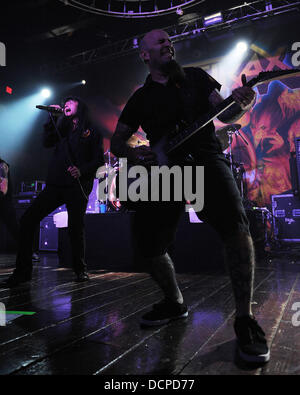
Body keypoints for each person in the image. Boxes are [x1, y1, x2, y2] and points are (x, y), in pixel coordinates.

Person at [110, 29, 270, 363]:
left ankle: (245, 319)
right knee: (148, 244)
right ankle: (174, 302)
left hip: (205, 159)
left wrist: (243, 103)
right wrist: (137, 155)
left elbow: (224, 114)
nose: (167, 43)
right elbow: (117, 141)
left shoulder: (196, 78)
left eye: (170, 40)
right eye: (159, 42)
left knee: (236, 230)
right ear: (145, 54)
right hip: (165, 171)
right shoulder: (141, 98)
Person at [5, 96, 104, 287]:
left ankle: (80, 269)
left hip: (77, 185)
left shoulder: (92, 130)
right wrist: (50, 119)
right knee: (27, 220)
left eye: (71, 101)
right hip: (56, 183)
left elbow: (98, 159)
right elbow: (47, 142)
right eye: (64, 102)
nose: (66, 104)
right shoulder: (62, 127)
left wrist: (81, 170)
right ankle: (23, 272)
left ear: (80, 105)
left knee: (76, 228)